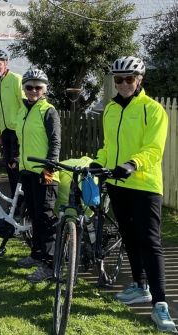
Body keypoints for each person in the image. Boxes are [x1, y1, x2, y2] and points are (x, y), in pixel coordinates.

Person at [91, 56, 176, 333]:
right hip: (118, 184)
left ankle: (160, 304)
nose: (124, 84)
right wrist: (99, 162)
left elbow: (154, 149)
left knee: (150, 242)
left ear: (139, 80)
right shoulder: (111, 109)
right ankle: (140, 286)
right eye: (119, 80)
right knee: (128, 235)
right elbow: (108, 145)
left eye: (129, 79)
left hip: (144, 184)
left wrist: (132, 164)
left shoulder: (152, 110)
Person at [15, 68, 61, 283]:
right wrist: (17, 158)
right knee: (33, 214)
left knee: (45, 218)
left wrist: (49, 169)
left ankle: (50, 265)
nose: (33, 90)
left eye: (38, 87)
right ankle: (36, 254)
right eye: (29, 87)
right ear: (24, 88)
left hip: (44, 172)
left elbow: (55, 142)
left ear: (45, 89)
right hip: (27, 170)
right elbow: (24, 138)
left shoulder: (48, 110)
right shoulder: (24, 110)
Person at [0, 50, 24, 199]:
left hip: (18, 130)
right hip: (5, 132)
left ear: (6, 64)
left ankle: (23, 200)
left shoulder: (16, 79)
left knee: (19, 167)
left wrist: (22, 129)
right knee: (9, 167)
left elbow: (24, 105)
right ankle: (16, 200)